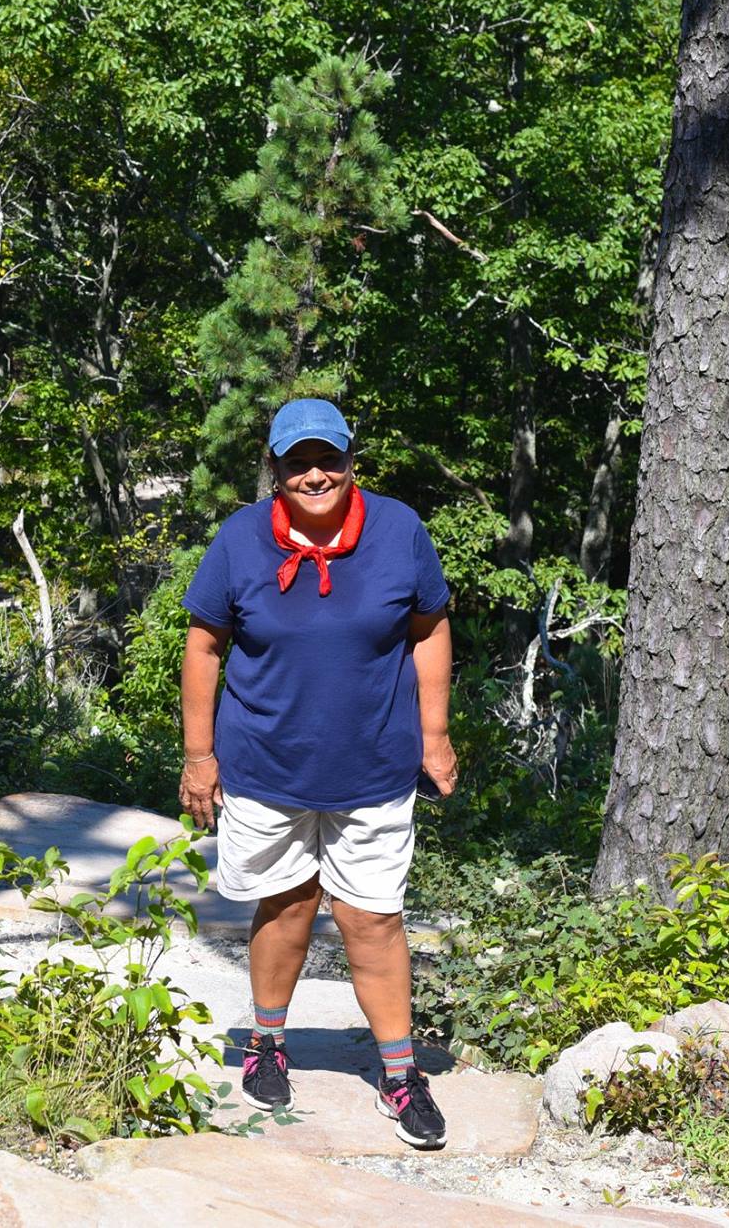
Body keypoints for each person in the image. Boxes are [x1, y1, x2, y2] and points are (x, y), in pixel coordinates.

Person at [178, 397, 457, 1150]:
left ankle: (399, 1074)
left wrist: (435, 736)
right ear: (275, 469)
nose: (315, 474)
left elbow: (430, 629)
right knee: (288, 904)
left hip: (374, 766)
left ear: (349, 460)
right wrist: (199, 756)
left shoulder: (399, 530)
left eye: (327, 458)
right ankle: (268, 1044)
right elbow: (203, 647)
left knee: (373, 918)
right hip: (266, 765)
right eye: (297, 462)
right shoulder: (240, 540)